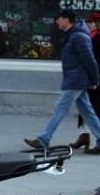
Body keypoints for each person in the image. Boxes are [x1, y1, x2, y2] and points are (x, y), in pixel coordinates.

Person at [25, 9, 100, 153]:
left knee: (59, 109)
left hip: (76, 80)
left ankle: (43, 139)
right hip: (76, 78)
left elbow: (90, 60)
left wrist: (95, 79)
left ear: (66, 19)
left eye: (58, 19)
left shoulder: (78, 36)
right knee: (87, 111)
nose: (56, 22)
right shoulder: (74, 35)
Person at [73, 11, 100, 151]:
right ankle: (84, 136)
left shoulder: (97, 38)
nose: (88, 24)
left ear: (97, 24)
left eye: (91, 22)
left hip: (96, 78)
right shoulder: (87, 37)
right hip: (87, 77)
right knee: (85, 107)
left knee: (94, 108)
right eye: (88, 22)